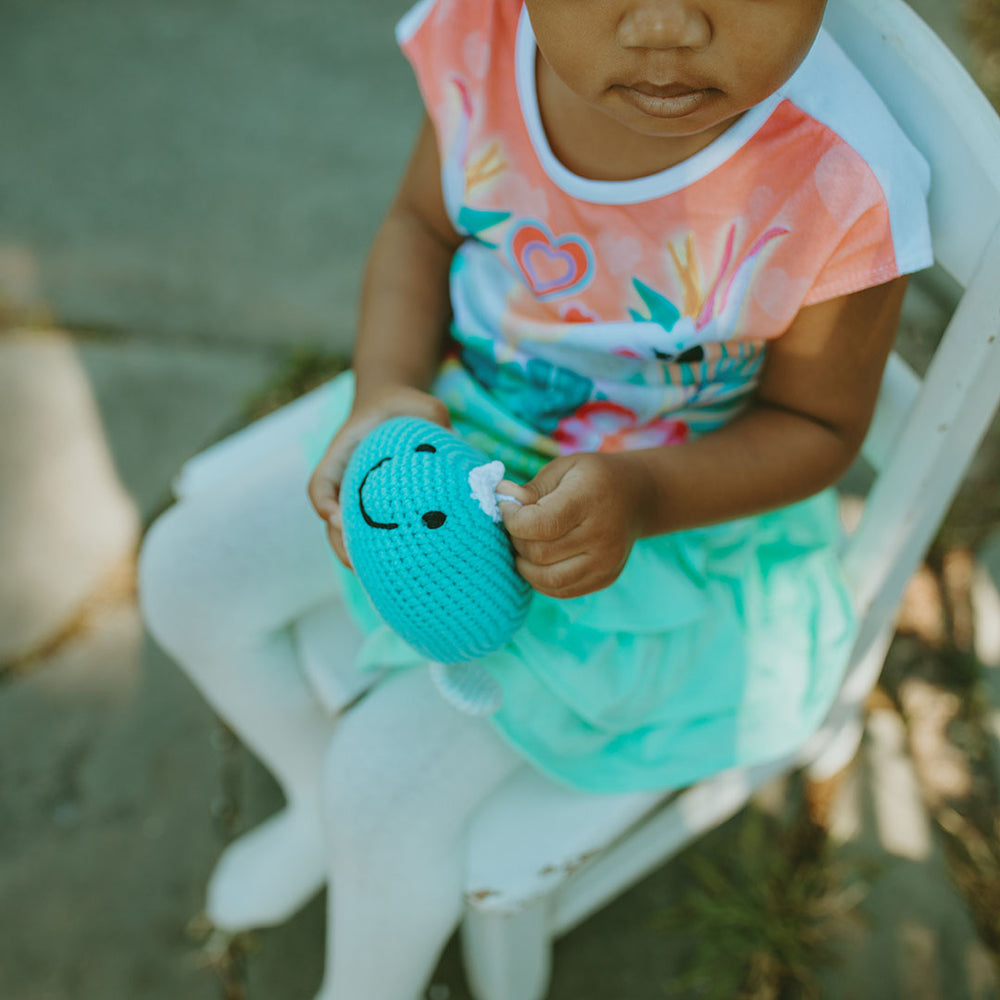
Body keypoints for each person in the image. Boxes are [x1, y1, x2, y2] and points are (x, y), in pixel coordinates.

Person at [139, 0, 932, 996]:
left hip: (665, 518)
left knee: (383, 782)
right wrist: (383, 389)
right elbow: (423, 227)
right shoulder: (480, 41)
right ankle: (312, 805)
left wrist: (641, 495)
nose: (668, 26)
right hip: (456, 423)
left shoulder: (837, 183)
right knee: (186, 574)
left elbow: (816, 429)